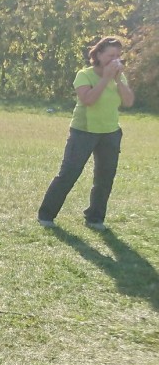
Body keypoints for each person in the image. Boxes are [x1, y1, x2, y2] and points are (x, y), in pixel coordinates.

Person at [37, 36, 135, 230]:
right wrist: (105, 78)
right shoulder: (84, 75)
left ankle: (95, 218)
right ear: (98, 55)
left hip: (110, 133)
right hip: (84, 132)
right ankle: (46, 215)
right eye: (111, 55)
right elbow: (88, 100)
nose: (115, 60)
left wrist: (117, 80)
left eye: (118, 55)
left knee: (105, 177)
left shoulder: (119, 78)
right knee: (69, 173)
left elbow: (129, 102)